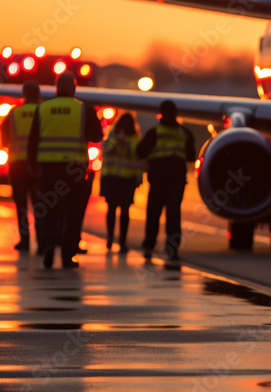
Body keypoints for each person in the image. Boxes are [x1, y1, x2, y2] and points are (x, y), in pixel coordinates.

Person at [28, 72, 102, 269]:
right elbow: (97, 136)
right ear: (74, 88)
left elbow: (32, 140)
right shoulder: (84, 109)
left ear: (56, 88)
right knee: (73, 213)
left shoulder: (43, 108)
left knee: (47, 211)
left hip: (48, 169)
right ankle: (69, 255)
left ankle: (48, 246)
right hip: (74, 170)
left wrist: (33, 166)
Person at [136, 100, 195, 261]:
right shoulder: (185, 133)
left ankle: (149, 246)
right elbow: (191, 156)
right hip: (176, 181)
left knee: (153, 214)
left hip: (158, 180)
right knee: (174, 215)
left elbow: (140, 151)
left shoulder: (154, 133)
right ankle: (172, 249)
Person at [0, 81, 41, 253]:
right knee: (41, 204)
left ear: (24, 94)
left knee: (21, 205)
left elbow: (3, 140)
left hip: (17, 165)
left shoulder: (14, 113)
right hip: (38, 165)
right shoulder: (43, 111)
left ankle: (24, 240)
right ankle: (42, 240)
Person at [100, 113, 144, 252]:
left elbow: (138, 159)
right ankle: (112, 239)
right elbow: (105, 149)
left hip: (124, 179)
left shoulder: (134, 139)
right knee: (114, 209)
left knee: (122, 211)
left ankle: (120, 241)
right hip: (116, 178)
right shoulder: (113, 136)